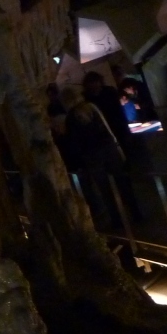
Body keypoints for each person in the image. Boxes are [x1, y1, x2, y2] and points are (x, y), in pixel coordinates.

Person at [59, 86, 128, 229]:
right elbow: (106, 127)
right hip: (108, 148)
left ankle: (117, 219)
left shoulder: (71, 117)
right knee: (122, 181)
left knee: (105, 188)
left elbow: (75, 141)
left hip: (92, 155)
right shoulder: (91, 107)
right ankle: (135, 212)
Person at [82, 71, 144, 222]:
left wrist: (124, 133)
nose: (95, 85)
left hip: (113, 138)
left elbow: (119, 114)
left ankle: (132, 213)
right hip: (103, 141)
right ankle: (121, 215)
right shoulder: (90, 99)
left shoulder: (104, 94)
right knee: (113, 182)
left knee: (121, 180)